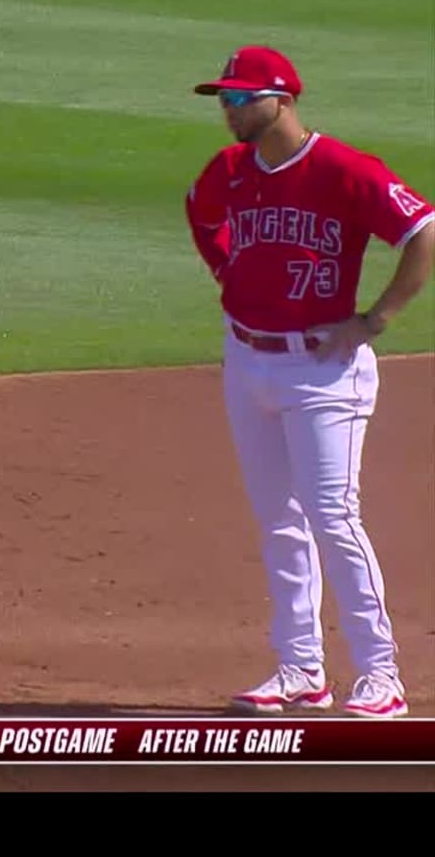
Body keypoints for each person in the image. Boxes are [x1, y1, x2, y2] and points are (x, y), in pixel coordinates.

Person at [185, 46, 433, 718]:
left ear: (283, 101)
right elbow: (201, 212)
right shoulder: (231, 170)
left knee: (333, 517)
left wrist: (375, 319)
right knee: (279, 522)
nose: (228, 109)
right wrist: (227, 272)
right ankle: (300, 668)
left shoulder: (341, 170)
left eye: (240, 98)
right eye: (223, 98)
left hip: (323, 370)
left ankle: (381, 675)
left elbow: (422, 230)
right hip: (247, 361)